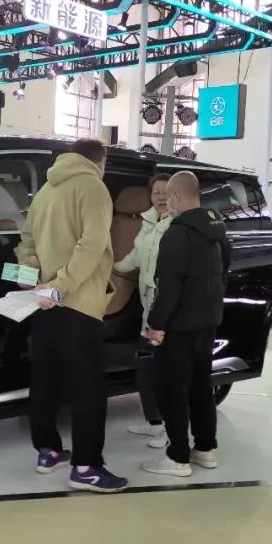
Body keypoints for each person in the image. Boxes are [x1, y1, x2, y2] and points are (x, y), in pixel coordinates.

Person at [15, 139, 128, 494]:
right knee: (88, 389)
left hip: (42, 303)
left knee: (44, 383)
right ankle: (87, 468)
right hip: (77, 304)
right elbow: (92, 245)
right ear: (100, 161)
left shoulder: (45, 191)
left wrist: (33, 279)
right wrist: (60, 287)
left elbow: (26, 242)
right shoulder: (93, 187)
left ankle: (48, 452)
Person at [140, 171, 231, 477]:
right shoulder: (217, 230)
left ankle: (177, 456)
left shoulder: (177, 234)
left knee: (173, 391)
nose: (166, 201)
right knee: (201, 388)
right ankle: (205, 449)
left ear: (176, 196)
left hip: (178, 327)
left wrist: (156, 324)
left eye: (168, 196)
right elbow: (225, 270)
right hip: (207, 322)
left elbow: (169, 286)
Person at [113, 173, 173, 444]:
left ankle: (171, 431)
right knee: (145, 369)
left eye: (165, 192)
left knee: (165, 374)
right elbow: (135, 257)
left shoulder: (178, 226)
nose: (160, 197)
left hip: (167, 315)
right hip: (149, 313)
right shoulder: (148, 222)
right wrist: (110, 268)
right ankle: (155, 422)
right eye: (155, 192)